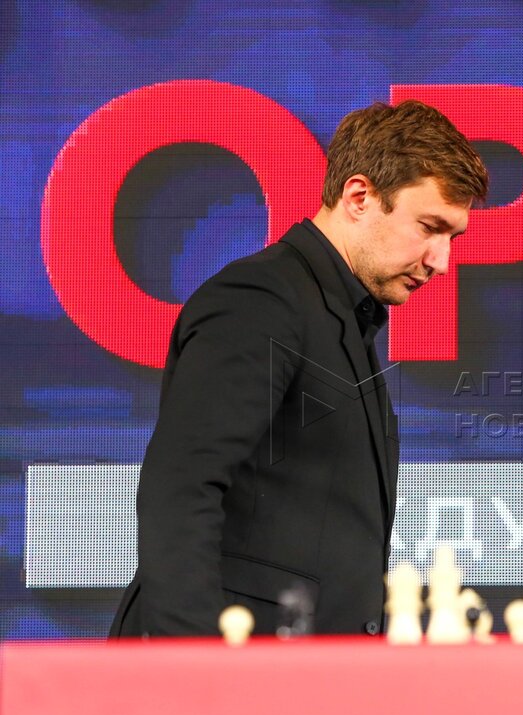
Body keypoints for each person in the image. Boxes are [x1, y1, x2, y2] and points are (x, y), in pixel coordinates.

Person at [109, 101, 488, 637]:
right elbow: (182, 488)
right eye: (430, 227)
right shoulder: (261, 299)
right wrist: (193, 666)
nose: (441, 261)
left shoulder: (339, 315)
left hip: (298, 668)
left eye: (453, 237)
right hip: (230, 666)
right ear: (359, 197)